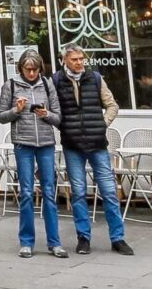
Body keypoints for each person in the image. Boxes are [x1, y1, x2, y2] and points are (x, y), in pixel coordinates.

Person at [55, 45, 132, 256]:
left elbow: (112, 105)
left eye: (82, 59)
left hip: (97, 144)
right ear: (64, 61)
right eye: (74, 59)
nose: (79, 62)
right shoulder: (56, 80)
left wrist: (102, 124)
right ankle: (83, 238)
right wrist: (63, 127)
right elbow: (53, 110)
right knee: (79, 193)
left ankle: (118, 238)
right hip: (72, 145)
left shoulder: (95, 78)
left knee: (109, 191)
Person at [5, 51, 66, 259]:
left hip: (46, 144)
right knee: (26, 192)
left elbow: (58, 118)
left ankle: (54, 242)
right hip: (23, 144)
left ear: (40, 68)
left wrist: (46, 114)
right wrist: (16, 110)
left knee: (49, 191)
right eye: (27, 69)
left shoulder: (47, 85)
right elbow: (1, 116)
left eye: (35, 69)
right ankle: (26, 242)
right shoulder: (11, 85)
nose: (31, 73)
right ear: (21, 68)